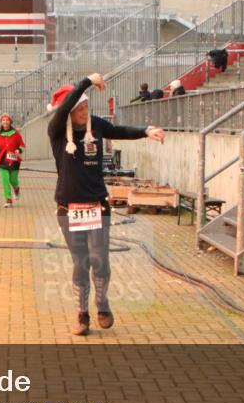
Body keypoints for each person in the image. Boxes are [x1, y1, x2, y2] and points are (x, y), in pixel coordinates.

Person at [47, 73, 165, 336]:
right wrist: (87, 81)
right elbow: (65, 106)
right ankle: (82, 314)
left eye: (86, 107)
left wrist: (147, 131)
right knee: (81, 261)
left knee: (99, 259)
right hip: (69, 208)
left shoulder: (97, 126)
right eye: (78, 108)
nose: (83, 112)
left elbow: (120, 131)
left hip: (98, 205)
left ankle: (102, 304)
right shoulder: (57, 131)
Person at [0, 113, 25, 208]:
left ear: (10, 122)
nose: (5, 122)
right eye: (3, 120)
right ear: (1, 123)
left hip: (14, 160)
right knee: (5, 180)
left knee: (13, 180)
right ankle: (8, 200)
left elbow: (22, 145)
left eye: (7, 120)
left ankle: (17, 189)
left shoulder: (16, 133)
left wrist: (19, 150)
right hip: (2, 161)